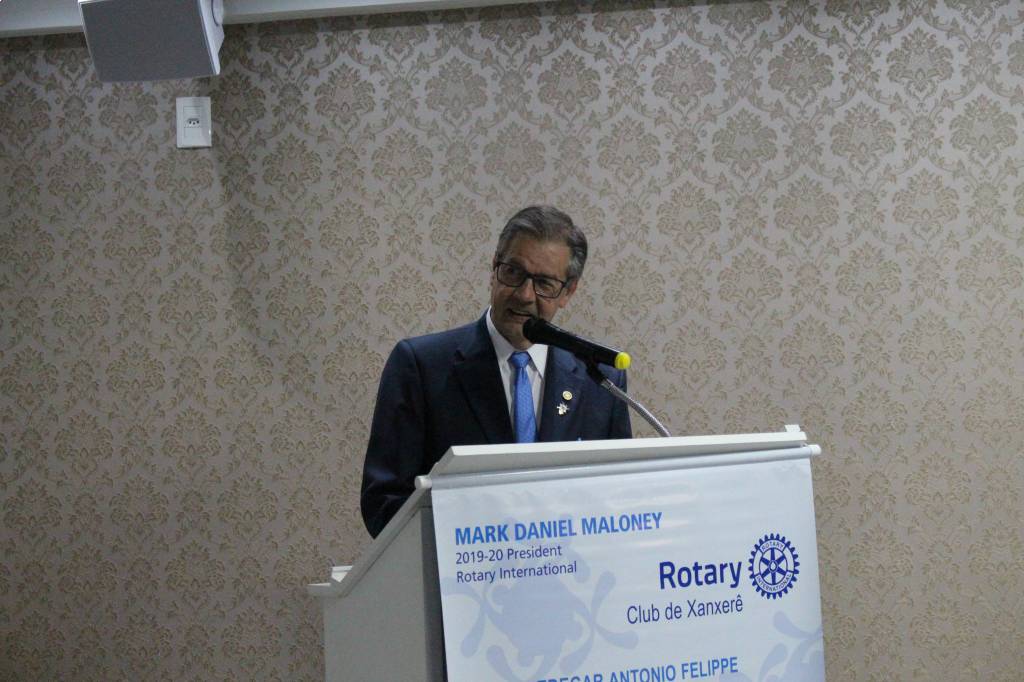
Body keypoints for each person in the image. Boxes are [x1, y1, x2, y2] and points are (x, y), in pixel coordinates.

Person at [360, 206, 632, 537]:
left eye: (544, 283)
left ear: (568, 292)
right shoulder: (421, 366)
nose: (524, 294)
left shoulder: (600, 379)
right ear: (494, 269)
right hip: (460, 566)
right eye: (513, 272)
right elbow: (384, 503)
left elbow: (619, 497)